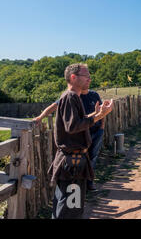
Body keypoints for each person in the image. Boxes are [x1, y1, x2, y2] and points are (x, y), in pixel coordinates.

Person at [49, 63, 113, 219]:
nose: (89, 79)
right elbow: (73, 126)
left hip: (72, 163)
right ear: (73, 77)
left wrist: (96, 114)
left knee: (65, 206)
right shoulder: (71, 96)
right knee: (71, 209)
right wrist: (99, 116)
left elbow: (78, 121)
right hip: (73, 165)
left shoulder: (71, 97)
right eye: (86, 76)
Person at [34, 90, 105, 191]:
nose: (88, 80)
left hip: (96, 131)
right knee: (83, 158)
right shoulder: (71, 97)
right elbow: (53, 106)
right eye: (85, 78)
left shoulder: (94, 95)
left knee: (93, 156)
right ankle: (80, 185)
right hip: (83, 133)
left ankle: (89, 183)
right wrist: (40, 117)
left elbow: (101, 112)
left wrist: (102, 128)